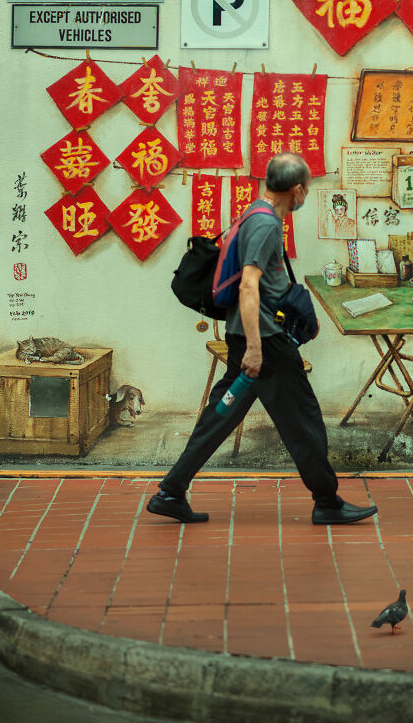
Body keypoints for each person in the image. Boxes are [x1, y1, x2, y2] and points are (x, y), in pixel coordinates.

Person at [147, 152, 378, 525]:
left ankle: (171, 492)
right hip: (265, 341)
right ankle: (327, 502)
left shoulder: (252, 212)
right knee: (304, 420)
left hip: (248, 336)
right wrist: (255, 350)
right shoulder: (267, 224)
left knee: (219, 416)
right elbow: (249, 286)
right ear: (298, 188)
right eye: (306, 189)